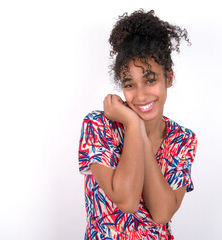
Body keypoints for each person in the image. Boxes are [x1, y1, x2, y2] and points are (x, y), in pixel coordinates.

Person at [78, 9, 198, 239]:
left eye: (150, 79)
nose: (141, 95)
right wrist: (133, 125)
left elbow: (162, 213)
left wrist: (140, 135)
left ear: (168, 78)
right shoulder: (98, 127)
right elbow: (127, 200)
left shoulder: (183, 139)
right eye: (130, 84)